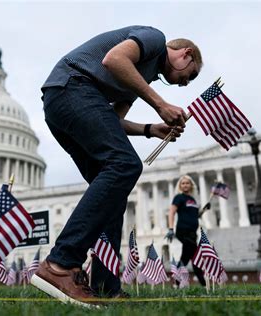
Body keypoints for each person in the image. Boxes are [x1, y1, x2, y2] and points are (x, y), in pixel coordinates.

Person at [31, 25, 203, 307]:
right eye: (190, 75)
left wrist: (151, 129)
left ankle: (104, 286)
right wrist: (160, 105)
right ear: (186, 54)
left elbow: (112, 121)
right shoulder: (154, 39)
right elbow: (113, 59)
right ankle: (60, 264)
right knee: (125, 164)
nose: (186, 83)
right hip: (72, 87)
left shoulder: (139, 77)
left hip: (63, 102)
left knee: (114, 191)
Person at [164, 175, 210, 286]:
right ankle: (203, 283)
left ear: (191, 185)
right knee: (194, 255)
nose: (185, 185)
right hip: (182, 231)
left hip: (193, 232)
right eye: (183, 183)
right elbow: (171, 212)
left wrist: (204, 209)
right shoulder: (178, 197)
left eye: (187, 183)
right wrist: (170, 229)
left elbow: (195, 215)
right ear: (180, 186)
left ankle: (177, 283)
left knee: (189, 257)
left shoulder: (193, 200)